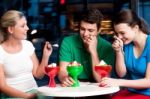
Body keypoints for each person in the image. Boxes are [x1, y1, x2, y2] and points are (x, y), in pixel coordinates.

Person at [0, 10, 52, 98]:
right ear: (10, 29)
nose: (27, 28)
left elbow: (38, 75)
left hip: (33, 92)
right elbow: (2, 86)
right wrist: (27, 97)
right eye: (23, 25)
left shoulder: (27, 45)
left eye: (26, 24)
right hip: (12, 96)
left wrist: (45, 56)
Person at [58, 8, 115, 87]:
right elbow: (62, 71)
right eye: (82, 29)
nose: (85, 34)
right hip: (74, 85)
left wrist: (93, 52)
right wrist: (65, 78)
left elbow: (101, 79)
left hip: (97, 88)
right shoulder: (68, 42)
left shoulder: (107, 47)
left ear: (98, 30)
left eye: (90, 30)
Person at [100, 9, 150, 99]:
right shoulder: (128, 44)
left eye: (122, 33)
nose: (119, 37)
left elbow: (148, 81)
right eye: (117, 33)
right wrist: (119, 51)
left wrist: (118, 82)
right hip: (132, 91)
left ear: (136, 28)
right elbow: (121, 73)